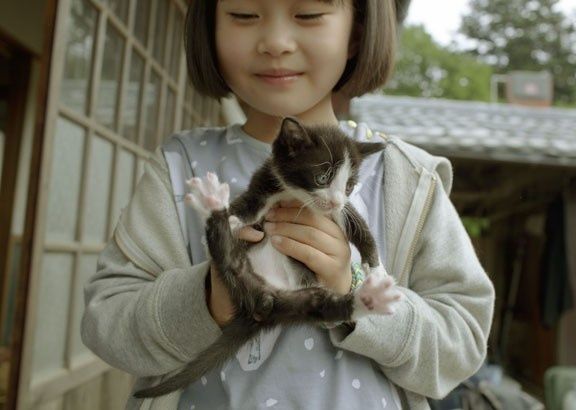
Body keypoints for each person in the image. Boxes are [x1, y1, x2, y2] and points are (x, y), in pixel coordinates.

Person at [80, 1, 495, 409]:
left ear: (359, 32)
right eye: (244, 15)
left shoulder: (405, 177)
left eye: (308, 14)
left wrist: (352, 289)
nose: (275, 42)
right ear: (208, 27)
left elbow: (462, 341)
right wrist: (209, 297)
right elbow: (106, 323)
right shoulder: (182, 166)